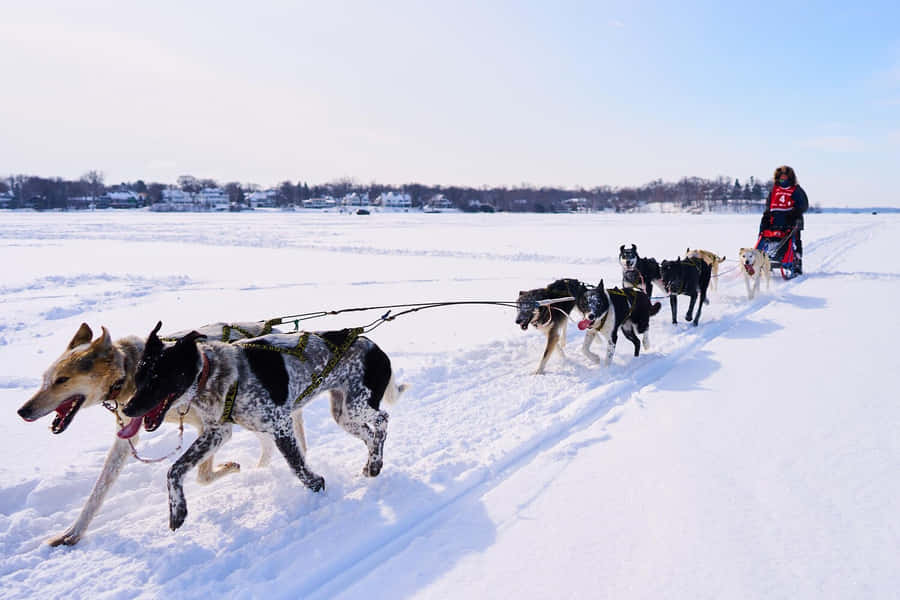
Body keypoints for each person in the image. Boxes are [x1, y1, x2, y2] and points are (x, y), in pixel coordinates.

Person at [759, 165, 808, 274]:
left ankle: (797, 261)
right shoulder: (774, 190)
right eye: (781, 178)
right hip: (774, 220)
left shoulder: (796, 190)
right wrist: (766, 216)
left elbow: (804, 205)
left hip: (792, 221)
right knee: (769, 239)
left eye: (785, 178)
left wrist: (795, 213)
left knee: (794, 241)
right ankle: (765, 258)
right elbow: (769, 204)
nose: (783, 180)